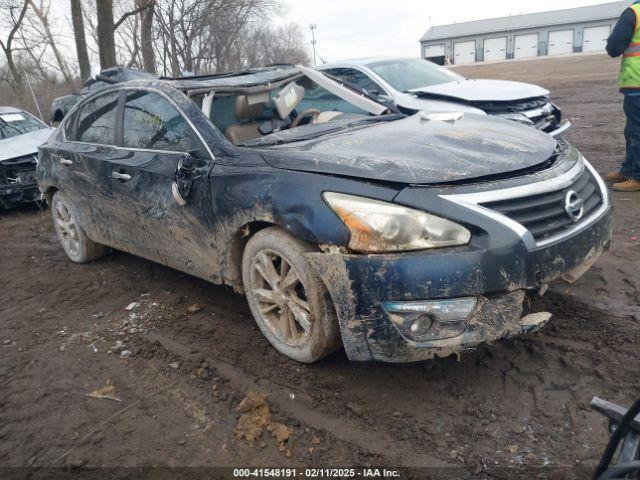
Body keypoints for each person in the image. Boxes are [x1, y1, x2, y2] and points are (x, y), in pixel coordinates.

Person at [606, 0, 640, 192]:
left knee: (637, 131)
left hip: (637, 83)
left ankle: (638, 176)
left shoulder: (633, 13)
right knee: (632, 130)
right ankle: (628, 169)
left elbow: (614, 48)